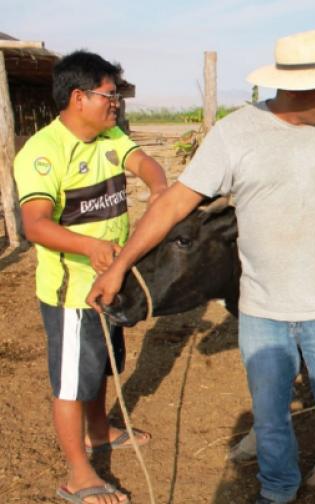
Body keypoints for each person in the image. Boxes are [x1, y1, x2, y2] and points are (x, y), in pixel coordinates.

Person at [87, 29, 315, 504]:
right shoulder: (236, 133)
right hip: (263, 313)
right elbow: (174, 202)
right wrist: (121, 266)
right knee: (269, 418)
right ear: (293, 88)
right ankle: (278, 489)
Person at [13, 51, 167, 504]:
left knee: (102, 366)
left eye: (117, 96)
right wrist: (90, 247)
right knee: (71, 383)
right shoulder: (43, 152)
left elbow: (143, 163)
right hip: (73, 293)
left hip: (111, 281)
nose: (116, 103)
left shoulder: (110, 136)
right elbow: (35, 224)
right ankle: (78, 475)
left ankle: (99, 431)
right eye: (109, 95)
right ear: (79, 97)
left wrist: (159, 189)